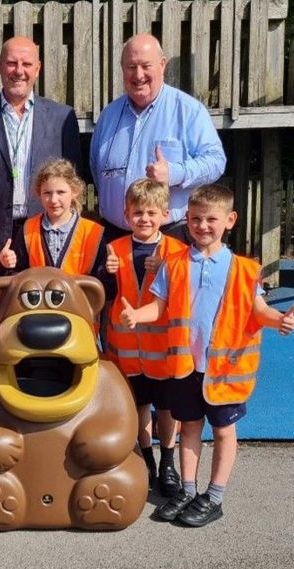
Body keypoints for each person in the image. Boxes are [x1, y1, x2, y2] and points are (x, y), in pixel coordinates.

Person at [120, 184, 294, 527]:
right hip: (185, 367)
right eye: (196, 219)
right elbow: (158, 307)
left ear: (229, 220)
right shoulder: (172, 264)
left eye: (211, 219)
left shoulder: (245, 269)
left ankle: (214, 496)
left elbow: (258, 310)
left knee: (222, 433)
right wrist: (135, 316)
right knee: (189, 428)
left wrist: (279, 321)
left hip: (225, 370)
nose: (203, 226)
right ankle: (188, 489)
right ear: (186, 220)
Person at [0, 36, 82, 280]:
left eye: (26, 64)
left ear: (38, 68)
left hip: (46, 230)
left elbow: (75, 179)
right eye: (12, 63)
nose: (19, 71)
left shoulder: (62, 118)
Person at [90, 33, 226, 246]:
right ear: (122, 68)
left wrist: (174, 172)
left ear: (162, 65)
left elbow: (216, 162)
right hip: (115, 238)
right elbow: (96, 171)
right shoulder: (108, 115)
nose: (138, 74)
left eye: (146, 66)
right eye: (131, 67)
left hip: (169, 236)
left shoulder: (188, 111)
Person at [104, 178, 189, 497]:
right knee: (138, 405)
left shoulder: (178, 252)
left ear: (165, 215)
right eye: (137, 213)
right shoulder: (115, 249)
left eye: (152, 213)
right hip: (126, 348)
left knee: (165, 408)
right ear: (126, 215)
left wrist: (169, 268)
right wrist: (106, 272)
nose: (144, 219)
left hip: (163, 348)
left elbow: (186, 296)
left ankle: (168, 461)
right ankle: (146, 458)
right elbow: (107, 294)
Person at [0, 158, 103, 278]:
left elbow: (103, 282)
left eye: (61, 192)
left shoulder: (93, 232)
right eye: (47, 193)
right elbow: (16, 275)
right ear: (39, 194)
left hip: (79, 296)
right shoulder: (28, 230)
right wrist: (6, 263)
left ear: (74, 192)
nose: (53, 200)